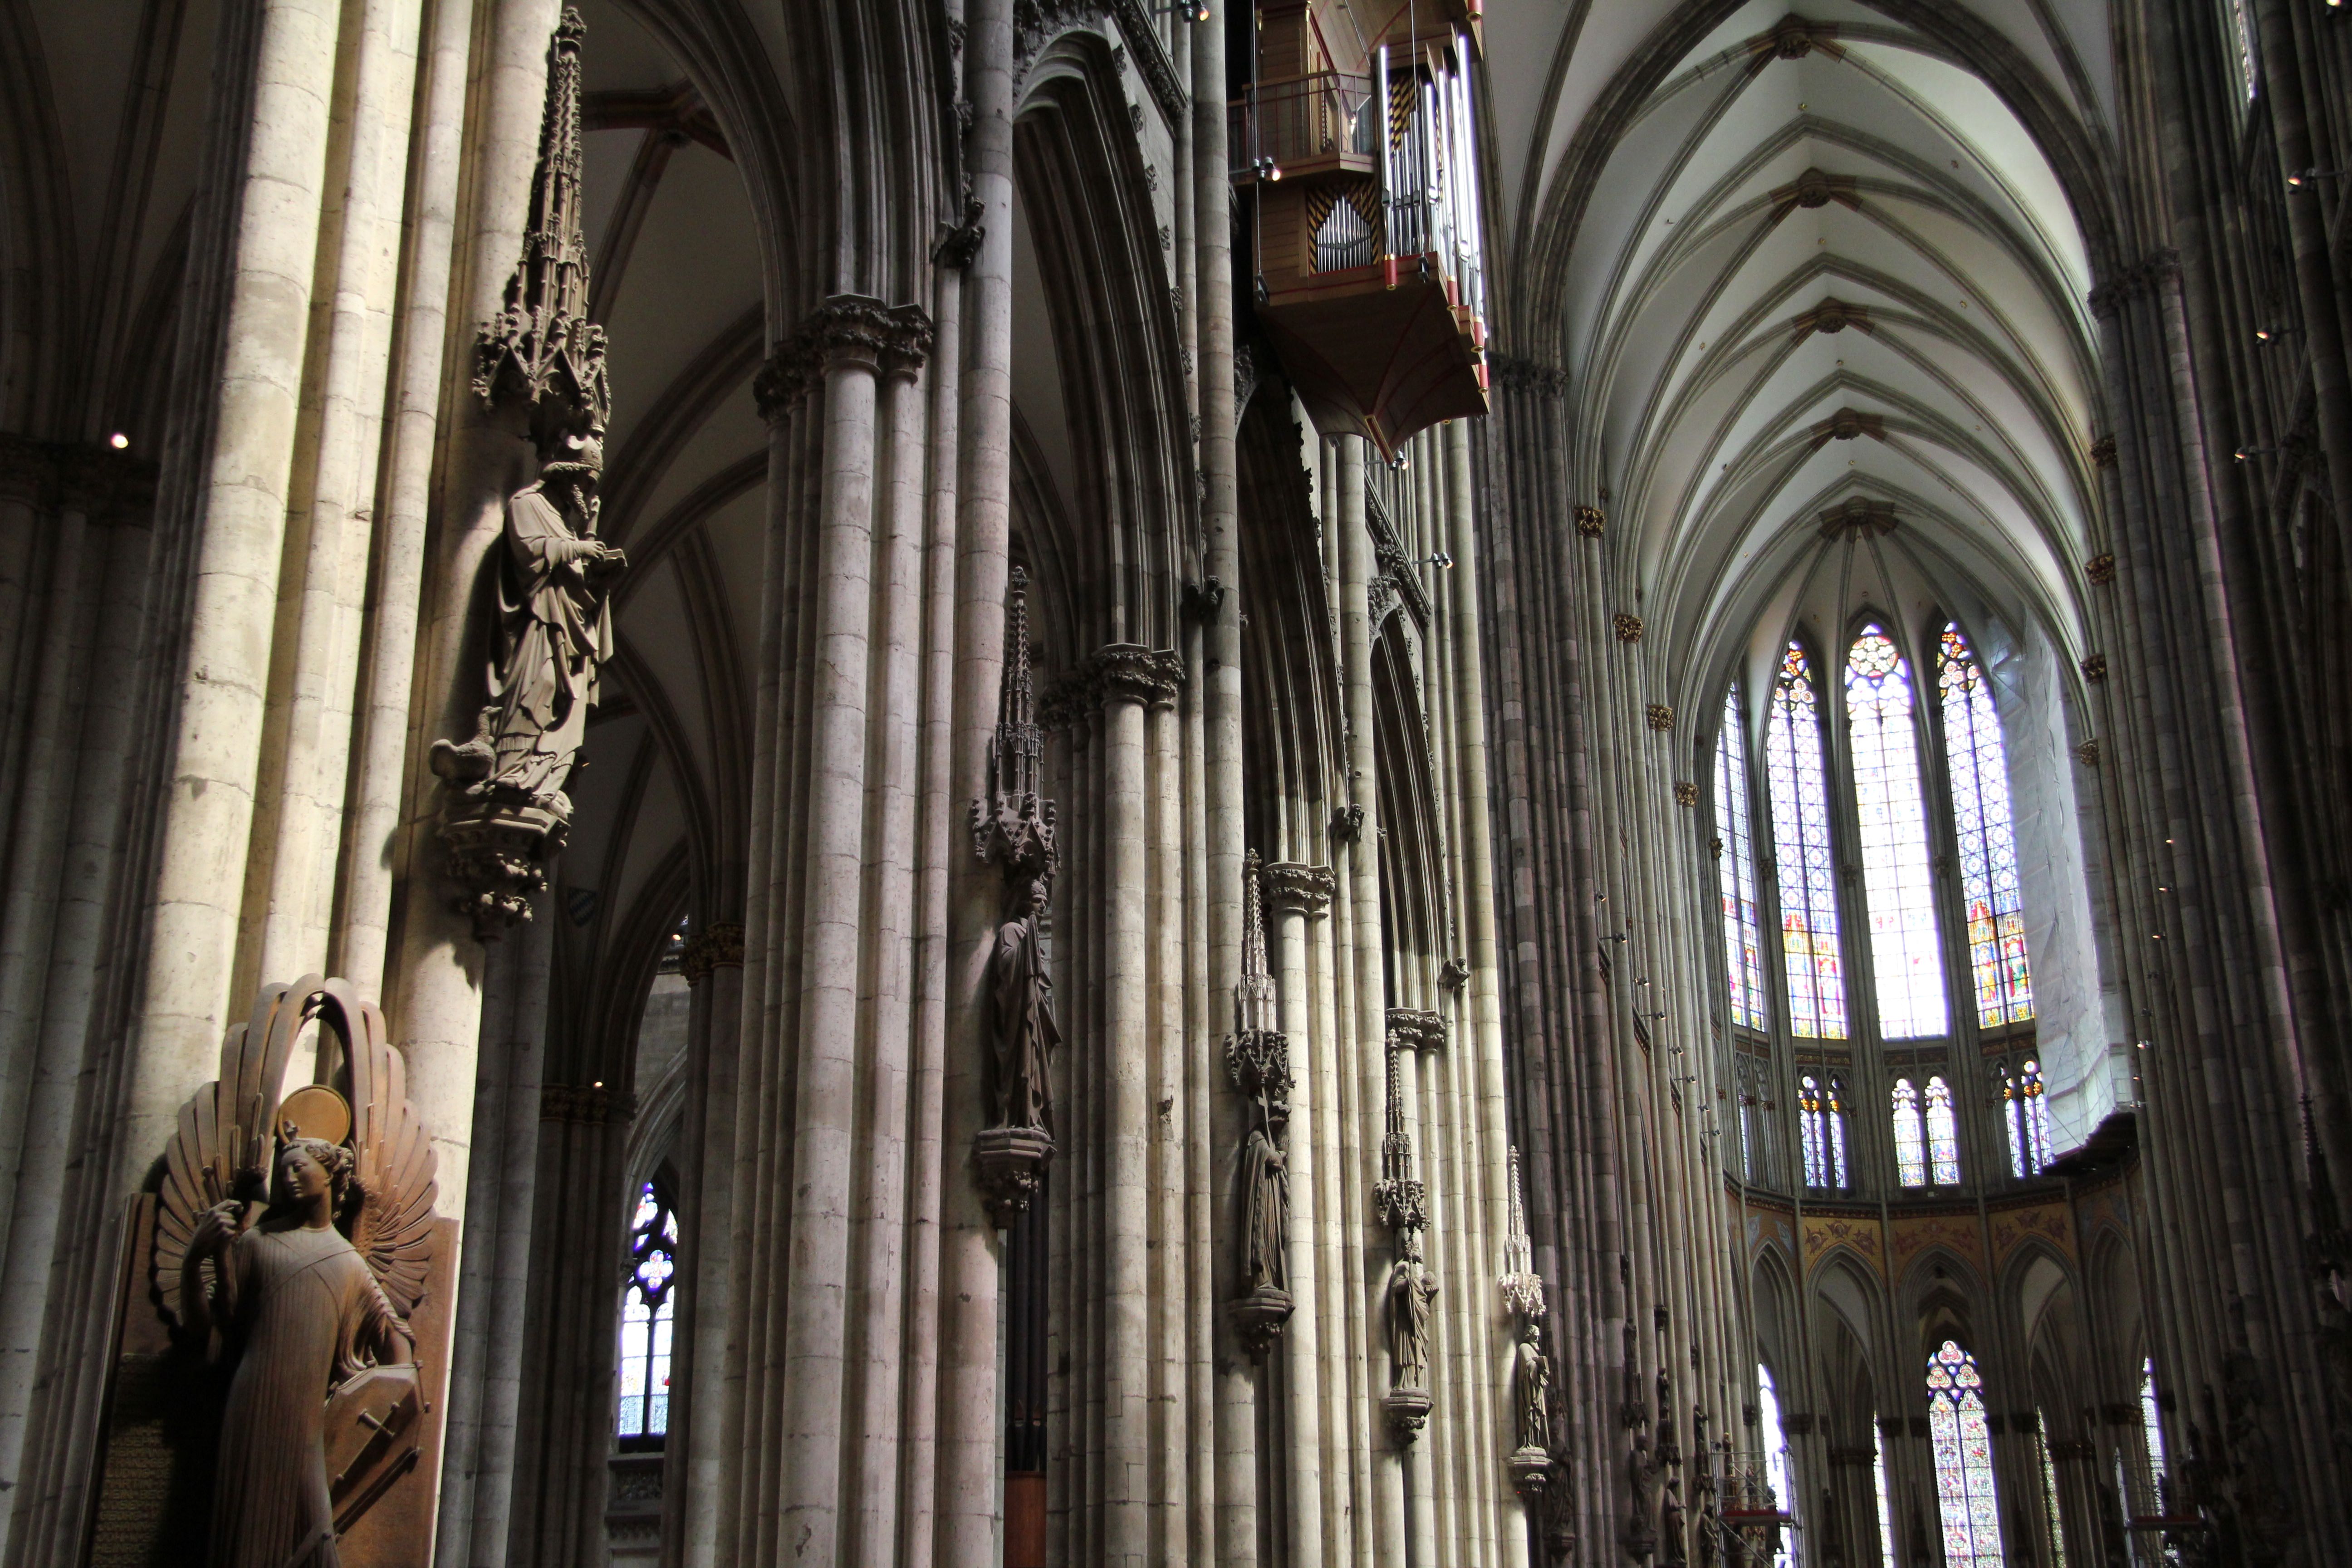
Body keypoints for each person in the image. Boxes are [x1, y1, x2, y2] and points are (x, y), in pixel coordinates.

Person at [181, 1138, 411, 1568]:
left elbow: (395, 1340)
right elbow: (208, 1329)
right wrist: (195, 1259)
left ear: (330, 1175)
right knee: (246, 1525)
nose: (288, 1177)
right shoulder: (256, 1243)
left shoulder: (348, 1262)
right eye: (283, 1169)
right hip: (252, 1403)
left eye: (298, 1167)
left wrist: (389, 1400)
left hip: (310, 1417)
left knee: (312, 1524)